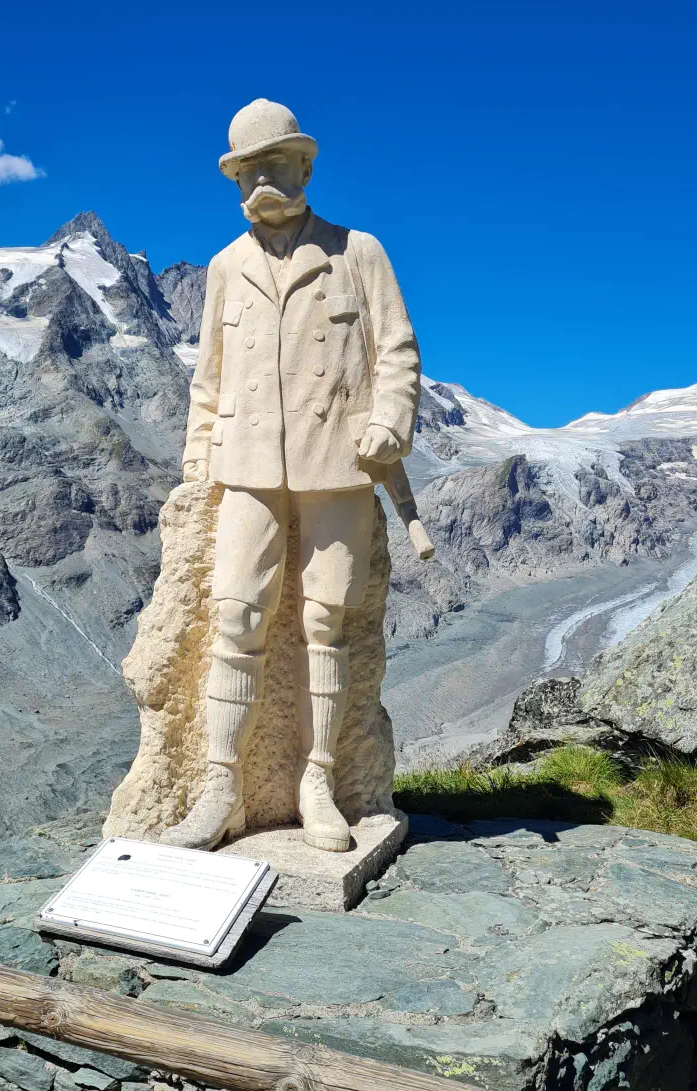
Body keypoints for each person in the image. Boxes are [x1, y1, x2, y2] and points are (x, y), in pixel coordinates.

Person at [161, 98, 420, 852]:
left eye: (275, 162)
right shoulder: (224, 268)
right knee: (236, 615)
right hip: (246, 467)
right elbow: (207, 380)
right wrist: (195, 461)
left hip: (337, 464)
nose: (262, 180)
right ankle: (220, 786)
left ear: (306, 165)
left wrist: (388, 423)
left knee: (325, 623)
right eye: (248, 168)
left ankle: (317, 777)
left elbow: (398, 351)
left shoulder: (357, 252)